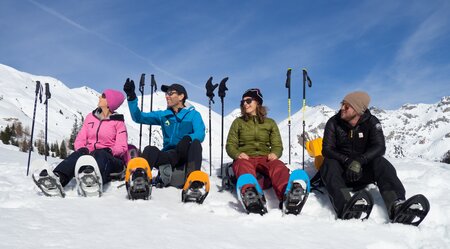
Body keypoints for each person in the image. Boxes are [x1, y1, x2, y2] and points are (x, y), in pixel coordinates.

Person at [320, 91, 429, 223]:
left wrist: (359, 161)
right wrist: (348, 161)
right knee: (329, 163)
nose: (342, 108)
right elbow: (327, 149)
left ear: (358, 110)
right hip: (341, 175)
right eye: (342, 104)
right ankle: (345, 205)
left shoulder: (371, 122)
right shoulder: (333, 123)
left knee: (381, 163)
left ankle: (396, 205)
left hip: (363, 172)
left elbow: (380, 147)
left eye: (346, 106)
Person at [34, 89, 128, 196]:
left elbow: (122, 147)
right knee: (81, 152)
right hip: (90, 157)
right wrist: (83, 149)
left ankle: (94, 179)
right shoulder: (90, 117)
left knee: (100, 153)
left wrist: (109, 150)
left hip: (112, 160)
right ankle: (58, 177)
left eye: (103, 96)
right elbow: (80, 138)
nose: (99, 97)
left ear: (110, 102)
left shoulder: (118, 122)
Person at [123, 79, 205, 188]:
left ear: (181, 97)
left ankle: (194, 182)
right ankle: (140, 178)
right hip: (169, 155)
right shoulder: (164, 115)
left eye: (171, 93)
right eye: (166, 93)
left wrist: (188, 138)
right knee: (149, 149)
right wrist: (131, 97)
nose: (167, 96)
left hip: (185, 154)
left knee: (196, 144)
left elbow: (200, 133)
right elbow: (138, 117)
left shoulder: (194, 115)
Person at [226, 88, 293, 210]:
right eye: (243, 102)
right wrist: (237, 154)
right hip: (246, 158)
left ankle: (287, 194)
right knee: (242, 166)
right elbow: (230, 144)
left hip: (265, 157)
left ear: (257, 102)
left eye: (248, 100)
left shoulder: (270, 123)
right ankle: (251, 195)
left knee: (278, 166)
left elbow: (277, 145)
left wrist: (275, 153)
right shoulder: (238, 122)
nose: (245, 104)